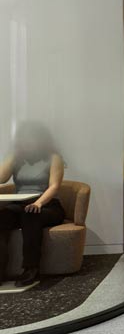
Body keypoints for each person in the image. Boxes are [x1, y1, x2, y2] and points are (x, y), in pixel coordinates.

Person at [0, 122, 66, 286]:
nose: (26, 142)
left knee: (30, 216)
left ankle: (31, 268)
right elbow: (1, 178)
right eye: (23, 139)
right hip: (20, 204)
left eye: (30, 139)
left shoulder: (53, 158)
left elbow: (54, 186)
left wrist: (38, 203)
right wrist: (13, 157)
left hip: (47, 205)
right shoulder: (18, 158)